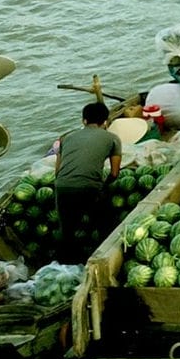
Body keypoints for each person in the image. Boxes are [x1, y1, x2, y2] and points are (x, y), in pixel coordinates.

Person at [54, 102, 121, 262]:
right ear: (106, 121)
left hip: (62, 187)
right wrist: (102, 187)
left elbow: (57, 172)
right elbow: (114, 173)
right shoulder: (113, 138)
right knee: (105, 225)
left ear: (83, 121)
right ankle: (104, 259)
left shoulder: (66, 137)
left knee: (67, 232)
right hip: (90, 187)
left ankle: (67, 264)